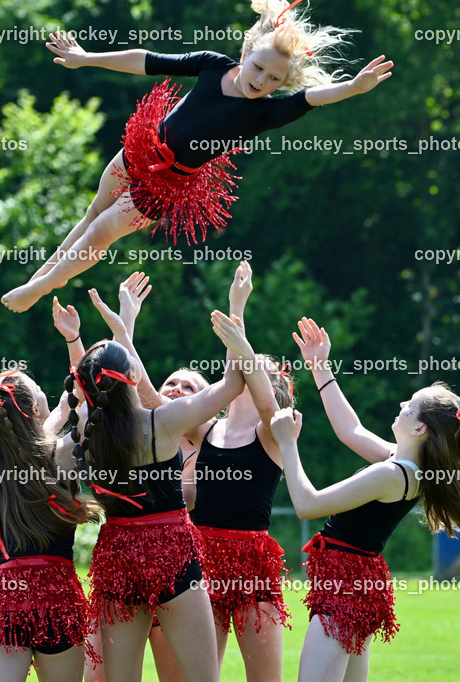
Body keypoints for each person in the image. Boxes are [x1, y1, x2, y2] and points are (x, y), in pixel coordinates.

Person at [1, 0, 394, 312]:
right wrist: (88, 57)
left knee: (101, 231)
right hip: (141, 150)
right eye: (258, 68)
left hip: (168, 182)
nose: (261, 81)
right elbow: (147, 60)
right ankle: (42, 276)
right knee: (91, 215)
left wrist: (353, 88)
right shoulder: (212, 64)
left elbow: (312, 98)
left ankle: (39, 288)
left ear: (282, 82)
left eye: (273, 79)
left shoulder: (266, 111)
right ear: (246, 52)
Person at [264, 317, 460, 682]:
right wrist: (320, 367)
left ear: (419, 429)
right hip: (357, 583)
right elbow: (350, 430)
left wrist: (286, 442)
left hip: (345, 587)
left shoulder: (390, 474)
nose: (401, 403)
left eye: (409, 406)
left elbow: (307, 504)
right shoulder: (408, 469)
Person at [68, 312, 252, 682]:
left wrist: (77, 341)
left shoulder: (88, 429)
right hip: (172, 552)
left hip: (118, 554)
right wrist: (236, 325)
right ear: (135, 376)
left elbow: (89, 384)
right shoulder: (165, 420)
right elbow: (232, 385)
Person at [190, 262, 292, 681]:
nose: (248, 373)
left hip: (253, 561)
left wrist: (239, 313)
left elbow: (268, 404)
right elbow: (155, 403)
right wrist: (125, 327)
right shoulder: (206, 426)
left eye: (258, 371)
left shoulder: (276, 430)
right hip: (200, 562)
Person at [0, 370, 102, 682]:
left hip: (7, 594)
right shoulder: (62, 454)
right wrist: (76, 343)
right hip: (56, 593)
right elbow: (90, 411)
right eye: (39, 388)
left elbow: (40, 433)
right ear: (34, 409)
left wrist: (56, 416)